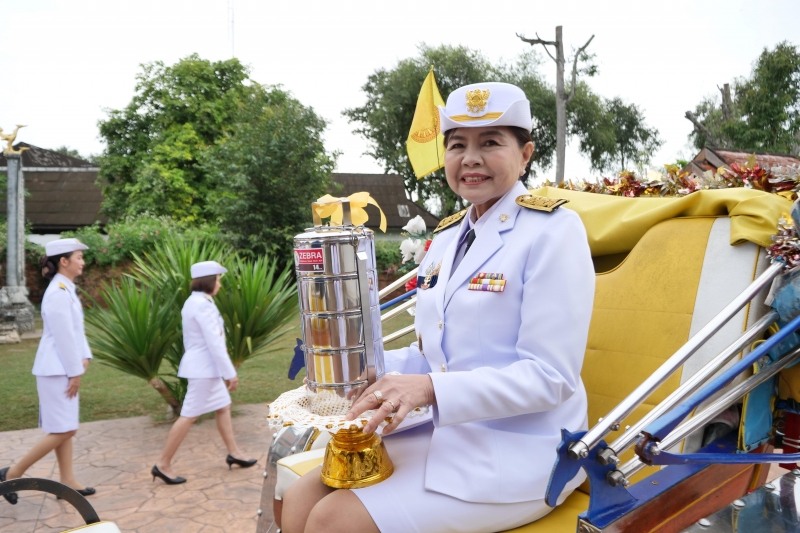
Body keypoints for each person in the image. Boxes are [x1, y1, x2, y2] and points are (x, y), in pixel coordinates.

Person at [281, 82, 596, 533]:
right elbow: (436, 356)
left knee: (334, 520)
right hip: (447, 431)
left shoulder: (553, 232)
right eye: (457, 145)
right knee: (299, 499)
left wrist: (427, 390)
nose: (470, 158)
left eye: (490, 143)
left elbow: (551, 378)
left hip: (522, 447)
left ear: (525, 154)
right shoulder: (448, 238)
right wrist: (368, 374)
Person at [1, 238, 95, 504]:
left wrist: (85, 355)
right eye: (78, 257)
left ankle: (67, 481)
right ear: (63, 262)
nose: (82, 261)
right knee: (64, 429)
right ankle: (13, 472)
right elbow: (64, 337)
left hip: (63, 367)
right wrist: (75, 371)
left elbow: (77, 331)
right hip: (57, 370)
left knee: (64, 426)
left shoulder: (66, 289)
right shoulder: (57, 292)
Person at [151, 261, 257, 484]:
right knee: (188, 416)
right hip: (203, 370)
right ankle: (163, 464)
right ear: (209, 281)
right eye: (217, 279)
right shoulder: (202, 305)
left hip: (204, 368)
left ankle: (234, 453)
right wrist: (230, 373)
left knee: (223, 406)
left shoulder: (198, 301)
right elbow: (214, 343)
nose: (219, 284)